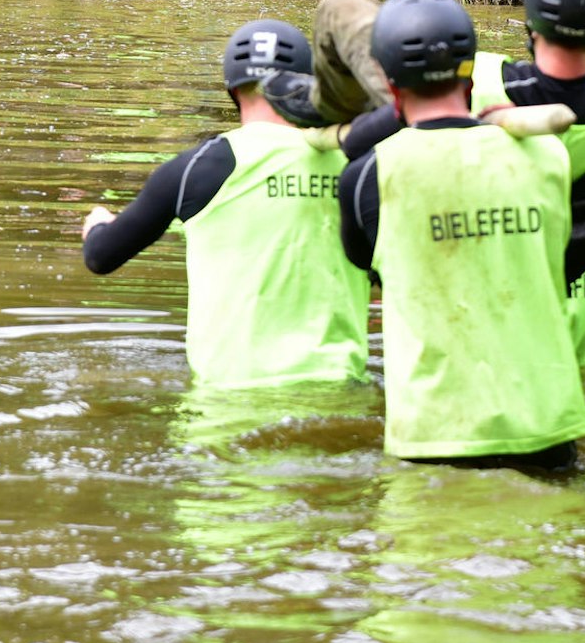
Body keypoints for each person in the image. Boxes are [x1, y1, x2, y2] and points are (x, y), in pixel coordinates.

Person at [272, 0, 585, 372]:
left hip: (483, 319)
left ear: (531, 17)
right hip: (577, 347)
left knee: (342, 6)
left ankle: (322, 104)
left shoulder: (472, 85)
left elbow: (360, 145)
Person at [336, 0, 585, 469]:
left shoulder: (368, 177)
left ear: (391, 89)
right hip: (547, 429)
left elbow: (368, 265)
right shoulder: (549, 157)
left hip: (435, 436)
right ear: (471, 78)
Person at [80, 20, 369, 389]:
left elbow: (101, 256)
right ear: (306, 84)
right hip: (338, 387)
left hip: (226, 396)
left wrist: (97, 226)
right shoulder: (356, 166)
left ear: (232, 90)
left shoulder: (196, 169)